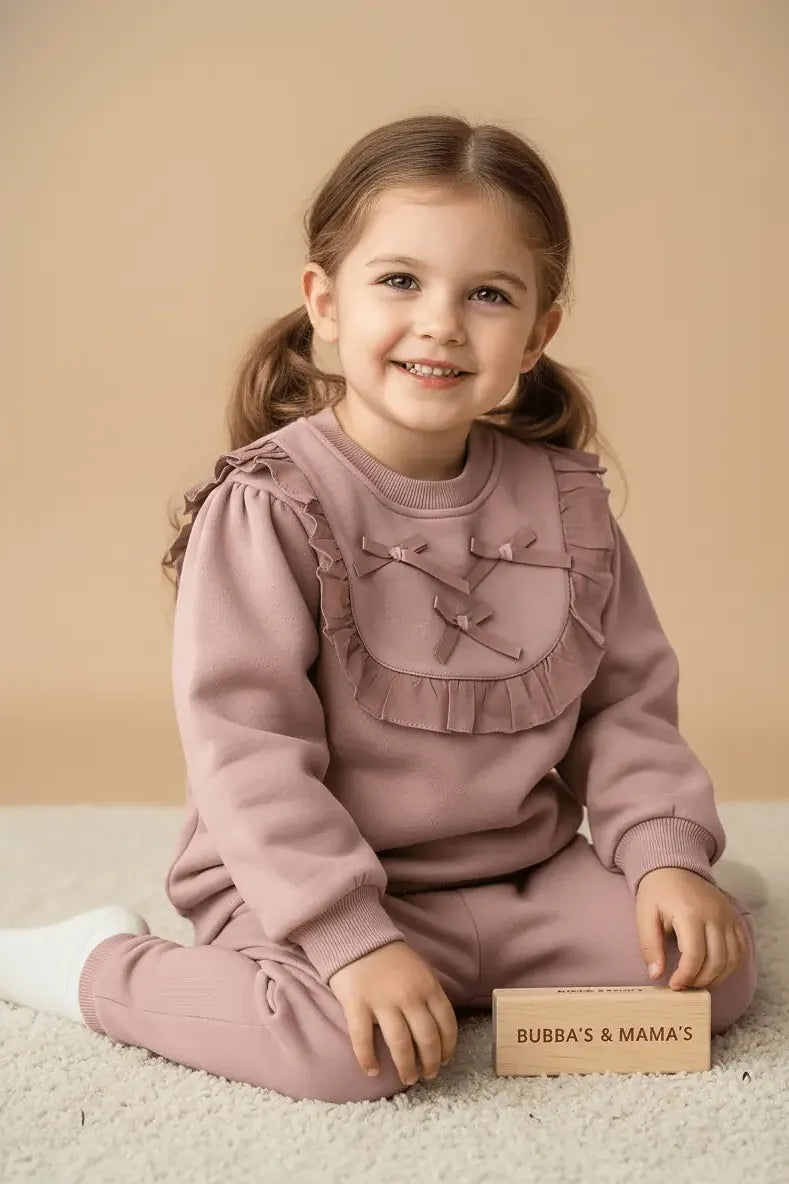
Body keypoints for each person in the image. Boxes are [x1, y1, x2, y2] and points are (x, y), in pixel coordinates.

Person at [0, 113, 756, 1103]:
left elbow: (627, 703)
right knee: (340, 1053)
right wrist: (353, 939)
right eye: (399, 281)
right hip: (309, 886)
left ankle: (638, 896)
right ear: (325, 302)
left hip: (518, 876)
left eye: (488, 294)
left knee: (718, 976)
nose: (441, 322)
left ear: (536, 334)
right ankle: (95, 964)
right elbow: (249, 750)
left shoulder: (565, 500)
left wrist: (662, 855)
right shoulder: (271, 505)